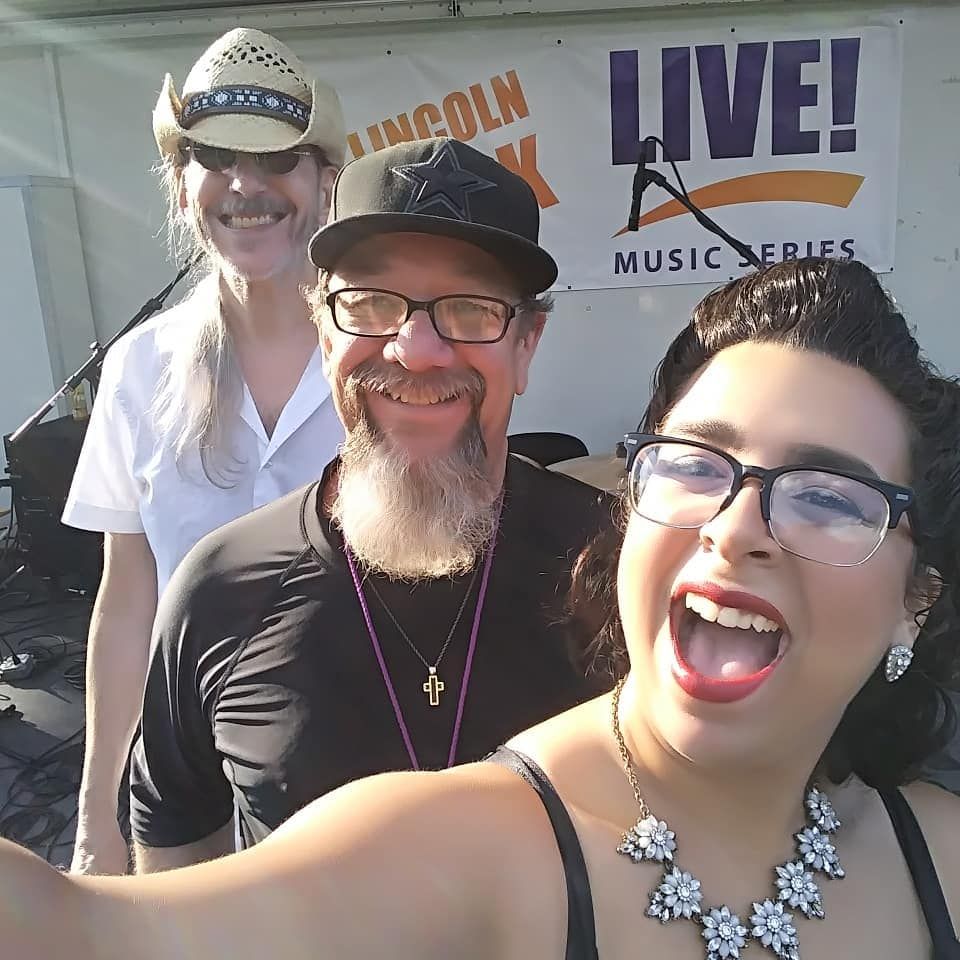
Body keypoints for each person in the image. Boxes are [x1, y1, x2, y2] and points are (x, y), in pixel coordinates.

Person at [8, 256, 957, 959]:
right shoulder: (458, 847)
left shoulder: (940, 857)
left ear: (915, 602)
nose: (736, 525)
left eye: (829, 496)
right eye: (697, 465)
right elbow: (86, 933)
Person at [126, 137, 615, 870]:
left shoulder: (618, 565)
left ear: (526, 344)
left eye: (471, 309)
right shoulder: (222, 589)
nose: (415, 350)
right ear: (324, 331)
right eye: (371, 304)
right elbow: (174, 850)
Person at [61, 28, 347, 875]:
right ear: (181, 183)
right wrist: (97, 819)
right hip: (184, 791)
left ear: (325, 180)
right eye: (216, 157)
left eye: (278, 160)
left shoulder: (382, 357)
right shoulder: (137, 368)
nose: (245, 186)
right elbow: (127, 600)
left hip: (355, 770)